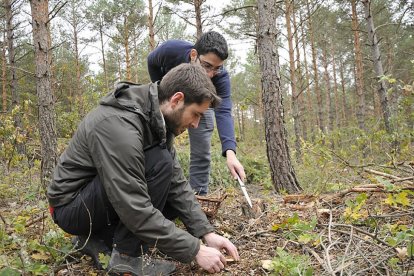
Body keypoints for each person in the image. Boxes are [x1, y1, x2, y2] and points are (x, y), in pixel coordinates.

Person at [47, 64, 240, 275]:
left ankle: (97, 240)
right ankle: (126, 259)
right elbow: (132, 206)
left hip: (96, 201)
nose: (195, 124)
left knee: (169, 187)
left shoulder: (155, 119)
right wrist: (194, 250)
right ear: (176, 100)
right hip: (71, 207)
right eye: (195, 114)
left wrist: (206, 233)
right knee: (160, 163)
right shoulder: (119, 125)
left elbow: (176, 183)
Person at [147, 31, 246, 196]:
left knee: (202, 152)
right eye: (206, 66)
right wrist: (162, 92)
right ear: (194, 55)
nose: (210, 74)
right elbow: (152, 61)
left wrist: (230, 153)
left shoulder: (220, 77)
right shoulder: (171, 50)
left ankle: (198, 198)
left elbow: (224, 112)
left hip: (200, 104)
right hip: (171, 99)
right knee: (161, 144)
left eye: (217, 68)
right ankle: (161, 195)